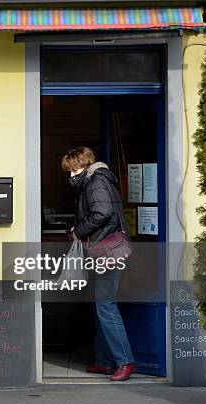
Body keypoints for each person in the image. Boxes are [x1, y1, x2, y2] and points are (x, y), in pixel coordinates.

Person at [61, 147, 137, 381]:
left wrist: (78, 232)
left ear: (82, 166)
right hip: (103, 251)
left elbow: (102, 213)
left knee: (105, 305)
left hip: (107, 253)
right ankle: (105, 361)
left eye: (73, 170)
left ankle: (125, 361)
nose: (71, 176)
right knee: (101, 304)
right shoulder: (96, 181)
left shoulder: (95, 182)